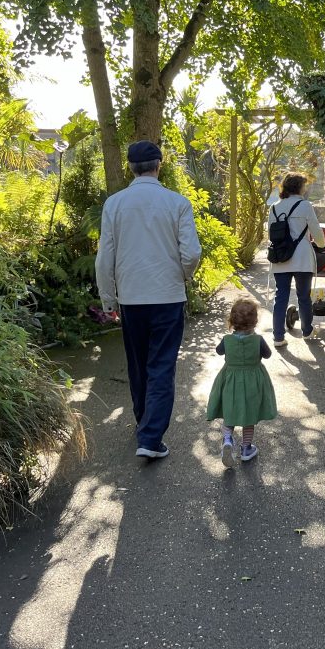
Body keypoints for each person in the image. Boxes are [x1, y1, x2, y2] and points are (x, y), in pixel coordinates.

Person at [96, 140, 202, 460]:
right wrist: (182, 274)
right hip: (167, 296)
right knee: (161, 365)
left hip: (131, 297)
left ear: (130, 167)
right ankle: (151, 437)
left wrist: (108, 300)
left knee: (138, 364)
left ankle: (144, 423)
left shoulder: (114, 204)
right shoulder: (177, 203)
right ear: (159, 164)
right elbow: (192, 253)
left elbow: (105, 259)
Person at [206, 297, 277, 465]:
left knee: (229, 413)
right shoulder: (258, 340)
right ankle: (246, 448)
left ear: (232, 321)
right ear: (255, 321)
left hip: (230, 381)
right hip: (253, 383)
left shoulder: (227, 340)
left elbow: (218, 351)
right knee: (249, 416)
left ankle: (228, 439)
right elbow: (267, 355)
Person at [268, 172, 325, 347]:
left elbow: (271, 234)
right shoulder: (305, 205)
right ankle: (307, 331)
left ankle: (278, 337)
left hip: (281, 258)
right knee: (304, 296)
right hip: (302, 259)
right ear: (299, 187)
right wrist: (321, 245)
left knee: (281, 297)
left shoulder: (274, 207)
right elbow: (317, 233)